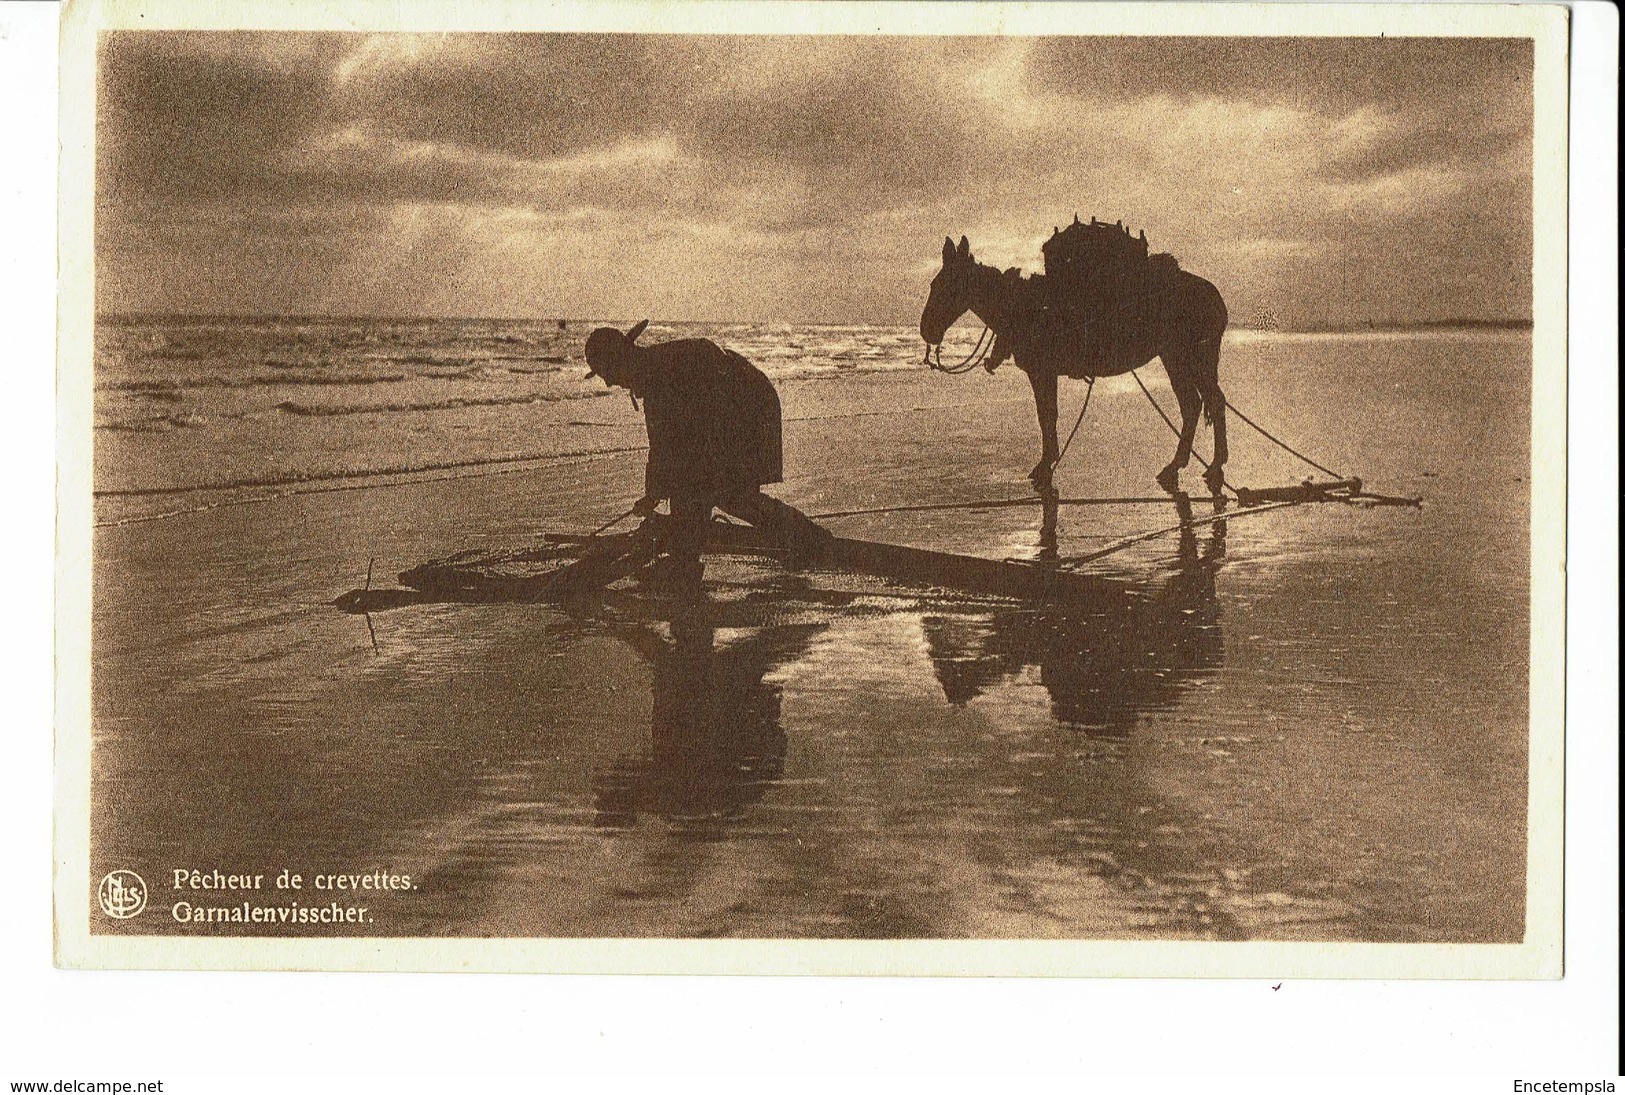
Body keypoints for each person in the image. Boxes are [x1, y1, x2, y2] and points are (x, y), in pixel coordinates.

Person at [583, 320, 830, 585]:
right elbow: (667, 448)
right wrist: (656, 492)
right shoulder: (653, 372)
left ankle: (811, 540)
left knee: (727, 493)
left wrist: (658, 493)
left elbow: (677, 447)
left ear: (620, 360)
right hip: (736, 409)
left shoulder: (661, 376)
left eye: (605, 371)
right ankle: (685, 558)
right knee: (705, 487)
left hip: (751, 406)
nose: (608, 382)